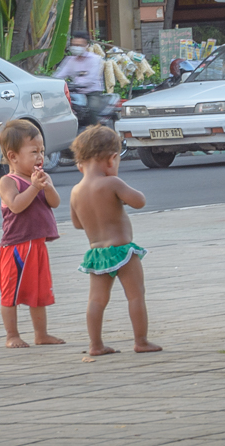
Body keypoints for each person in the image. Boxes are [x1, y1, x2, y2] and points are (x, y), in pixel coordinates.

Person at [70, 125, 162, 356]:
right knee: (135, 295)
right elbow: (139, 201)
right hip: (122, 251)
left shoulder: (75, 191)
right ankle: (141, 341)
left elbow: (77, 224)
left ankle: (95, 345)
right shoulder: (112, 183)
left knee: (97, 300)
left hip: (97, 254)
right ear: (111, 160)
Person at [0, 120, 64, 348]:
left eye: (42, 151)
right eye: (33, 151)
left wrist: (48, 187)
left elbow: (54, 203)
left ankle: (41, 334)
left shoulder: (42, 179)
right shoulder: (8, 182)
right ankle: (12, 335)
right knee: (11, 293)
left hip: (38, 245)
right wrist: (34, 188)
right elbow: (15, 206)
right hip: (16, 247)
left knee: (39, 293)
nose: (39, 157)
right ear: (13, 156)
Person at [54, 31, 105, 126]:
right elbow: (59, 75)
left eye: (79, 45)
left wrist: (77, 84)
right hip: (75, 93)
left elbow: (91, 78)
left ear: (86, 45)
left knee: (92, 111)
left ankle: (96, 131)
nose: (76, 47)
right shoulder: (70, 60)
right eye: (74, 45)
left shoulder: (95, 59)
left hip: (92, 92)